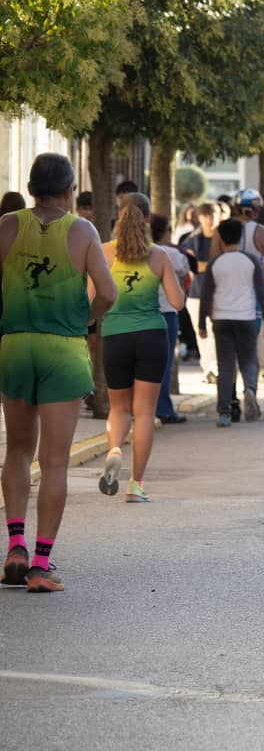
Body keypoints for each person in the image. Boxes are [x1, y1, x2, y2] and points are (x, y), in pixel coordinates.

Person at [0, 153, 117, 592]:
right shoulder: (82, 230)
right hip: (63, 348)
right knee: (54, 461)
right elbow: (108, 293)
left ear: (31, 188)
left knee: (17, 449)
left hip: (15, 345)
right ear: (69, 190)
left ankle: (15, 547)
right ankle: (40, 566)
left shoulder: (7, 226)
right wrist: (85, 318)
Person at [98, 195, 185, 502]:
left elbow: (93, 297)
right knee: (145, 412)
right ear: (148, 219)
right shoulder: (159, 255)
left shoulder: (105, 253)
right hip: (151, 336)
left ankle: (114, 450)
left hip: (115, 335)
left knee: (119, 408)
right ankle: (135, 485)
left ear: (119, 216)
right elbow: (177, 302)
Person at [198, 218, 264, 427]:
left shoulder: (215, 263)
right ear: (240, 237)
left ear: (221, 239)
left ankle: (224, 413)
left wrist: (201, 323)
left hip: (221, 318)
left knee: (225, 367)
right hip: (246, 316)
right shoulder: (251, 260)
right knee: (248, 360)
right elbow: (262, 293)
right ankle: (250, 390)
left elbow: (206, 295)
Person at [152, 213, 191, 424]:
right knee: (164, 363)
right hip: (167, 311)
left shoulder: (138, 251)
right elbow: (185, 272)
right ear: (165, 232)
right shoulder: (173, 255)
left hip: (141, 312)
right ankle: (163, 408)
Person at [179, 203, 220, 382]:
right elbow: (192, 266)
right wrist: (214, 263)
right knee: (201, 332)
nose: (210, 220)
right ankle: (208, 369)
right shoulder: (192, 239)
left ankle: (217, 367)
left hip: (219, 293)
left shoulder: (223, 237)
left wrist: (203, 265)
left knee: (217, 332)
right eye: (206, 216)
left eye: (213, 215)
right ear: (200, 218)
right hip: (196, 293)